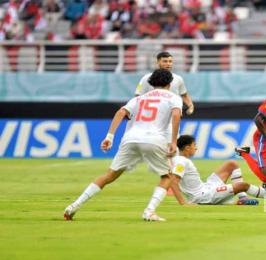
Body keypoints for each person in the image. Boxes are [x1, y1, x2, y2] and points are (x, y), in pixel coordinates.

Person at [64, 69, 182, 222]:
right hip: (154, 139)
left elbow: (121, 112)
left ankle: (74, 206)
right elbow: (176, 115)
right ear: (170, 83)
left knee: (109, 176)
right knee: (167, 176)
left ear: (151, 82)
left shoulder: (140, 98)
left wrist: (109, 136)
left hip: (130, 139)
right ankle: (149, 211)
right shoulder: (173, 97)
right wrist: (173, 141)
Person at [169, 135, 266, 205]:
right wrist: (183, 202)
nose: (196, 148)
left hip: (206, 187)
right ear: (187, 148)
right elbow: (173, 180)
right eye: (194, 146)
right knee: (243, 185)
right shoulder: (181, 162)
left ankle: (242, 198)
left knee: (231, 164)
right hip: (203, 196)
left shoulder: (180, 160)